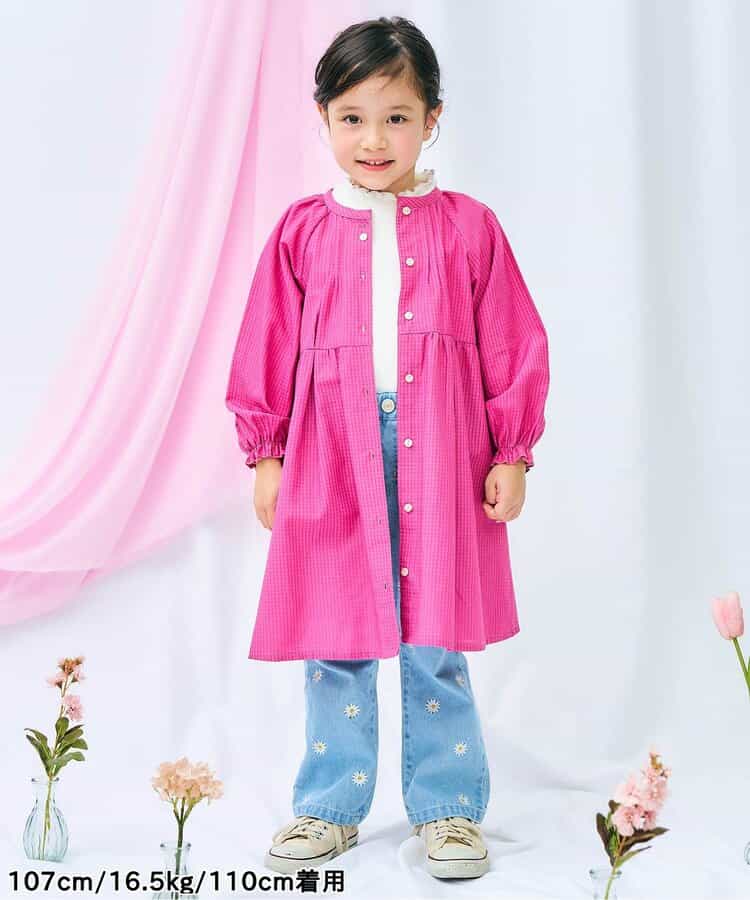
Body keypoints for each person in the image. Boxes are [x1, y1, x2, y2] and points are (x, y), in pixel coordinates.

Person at [225, 15, 550, 881]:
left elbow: (513, 342)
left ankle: (447, 808)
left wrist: (511, 450)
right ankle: (330, 807)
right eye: (354, 118)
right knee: (334, 634)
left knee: (434, 636)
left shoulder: (470, 228)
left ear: (432, 119)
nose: (375, 139)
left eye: (397, 117)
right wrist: (267, 454)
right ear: (324, 119)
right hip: (331, 453)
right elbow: (265, 345)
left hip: (442, 451)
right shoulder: (301, 232)